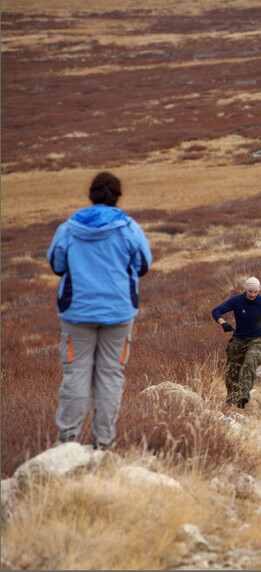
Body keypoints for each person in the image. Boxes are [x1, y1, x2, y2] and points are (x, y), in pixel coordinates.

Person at [47, 172, 152, 449]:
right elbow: (143, 265)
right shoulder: (129, 228)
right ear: (117, 196)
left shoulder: (69, 228)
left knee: (76, 375)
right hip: (118, 314)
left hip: (77, 313)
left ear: (91, 194)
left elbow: (57, 265)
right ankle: (103, 444)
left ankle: (67, 442)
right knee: (109, 376)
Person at [212, 277, 261, 408]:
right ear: (245, 289)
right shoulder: (236, 301)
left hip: (256, 340)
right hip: (238, 340)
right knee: (233, 371)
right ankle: (232, 399)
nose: (253, 295)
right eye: (250, 291)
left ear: (259, 291)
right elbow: (216, 311)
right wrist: (223, 323)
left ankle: (244, 395)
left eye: (255, 292)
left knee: (250, 362)